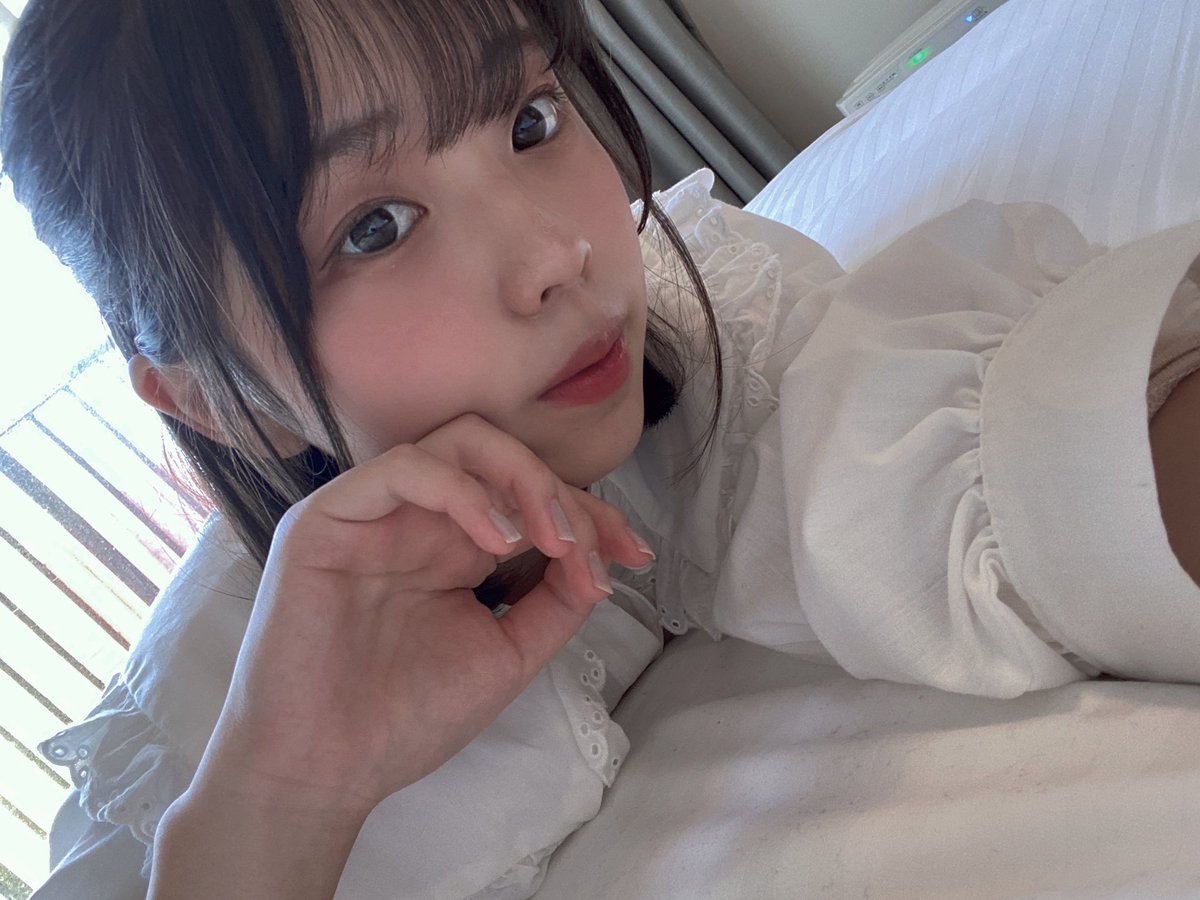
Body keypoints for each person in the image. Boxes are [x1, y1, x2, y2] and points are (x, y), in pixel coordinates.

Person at [4, 0, 1200, 898]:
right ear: (220, 402)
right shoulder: (181, 768)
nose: (557, 255)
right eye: (375, 228)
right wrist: (283, 803)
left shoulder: (698, 316)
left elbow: (999, 462)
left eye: (530, 120)